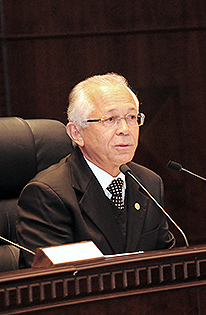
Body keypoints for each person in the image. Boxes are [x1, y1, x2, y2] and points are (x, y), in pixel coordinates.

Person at [16, 73, 175, 267]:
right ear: (77, 133)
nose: (125, 129)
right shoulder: (48, 195)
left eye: (132, 117)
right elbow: (54, 282)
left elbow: (165, 261)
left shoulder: (148, 182)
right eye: (110, 119)